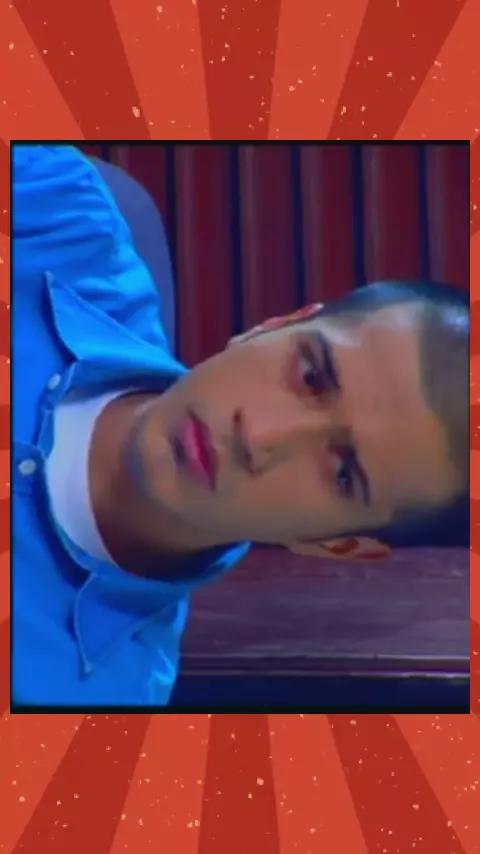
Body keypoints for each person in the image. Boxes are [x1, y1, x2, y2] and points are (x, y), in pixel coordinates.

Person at [12, 145, 469, 707]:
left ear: (338, 545)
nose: (259, 437)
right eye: (311, 375)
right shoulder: (58, 212)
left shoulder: (92, 704)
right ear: (274, 325)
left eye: (342, 473)